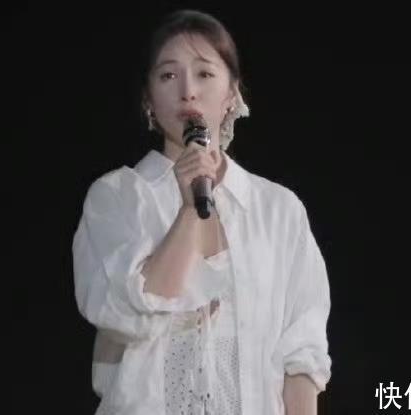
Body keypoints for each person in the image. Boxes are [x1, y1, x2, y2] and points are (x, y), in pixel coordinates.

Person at [72, 9, 332, 415]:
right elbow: (125, 312)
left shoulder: (278, 210)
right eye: (168, 75)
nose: (188, 91)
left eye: (205, 74)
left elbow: (302, 351)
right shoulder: (117, 198)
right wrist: (190, 211)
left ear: (232, 94)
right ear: (148, 99)